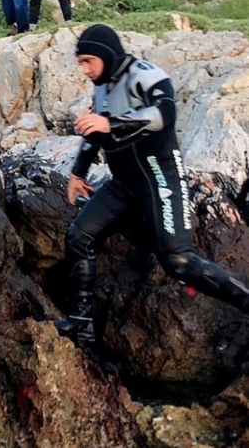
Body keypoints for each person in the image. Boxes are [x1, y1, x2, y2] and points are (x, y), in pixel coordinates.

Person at [55, 23, 249, 343]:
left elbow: (165, 115)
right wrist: (78, 174)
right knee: (79, 235)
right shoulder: (101, 87)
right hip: (123, 184)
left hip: (160, 178)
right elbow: (94, 135)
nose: (85, 69)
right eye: (81, 62)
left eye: (89, 61)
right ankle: (81, 321)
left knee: (180, 261)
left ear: (106, 56)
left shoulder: (145, 75)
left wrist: (110, 121)